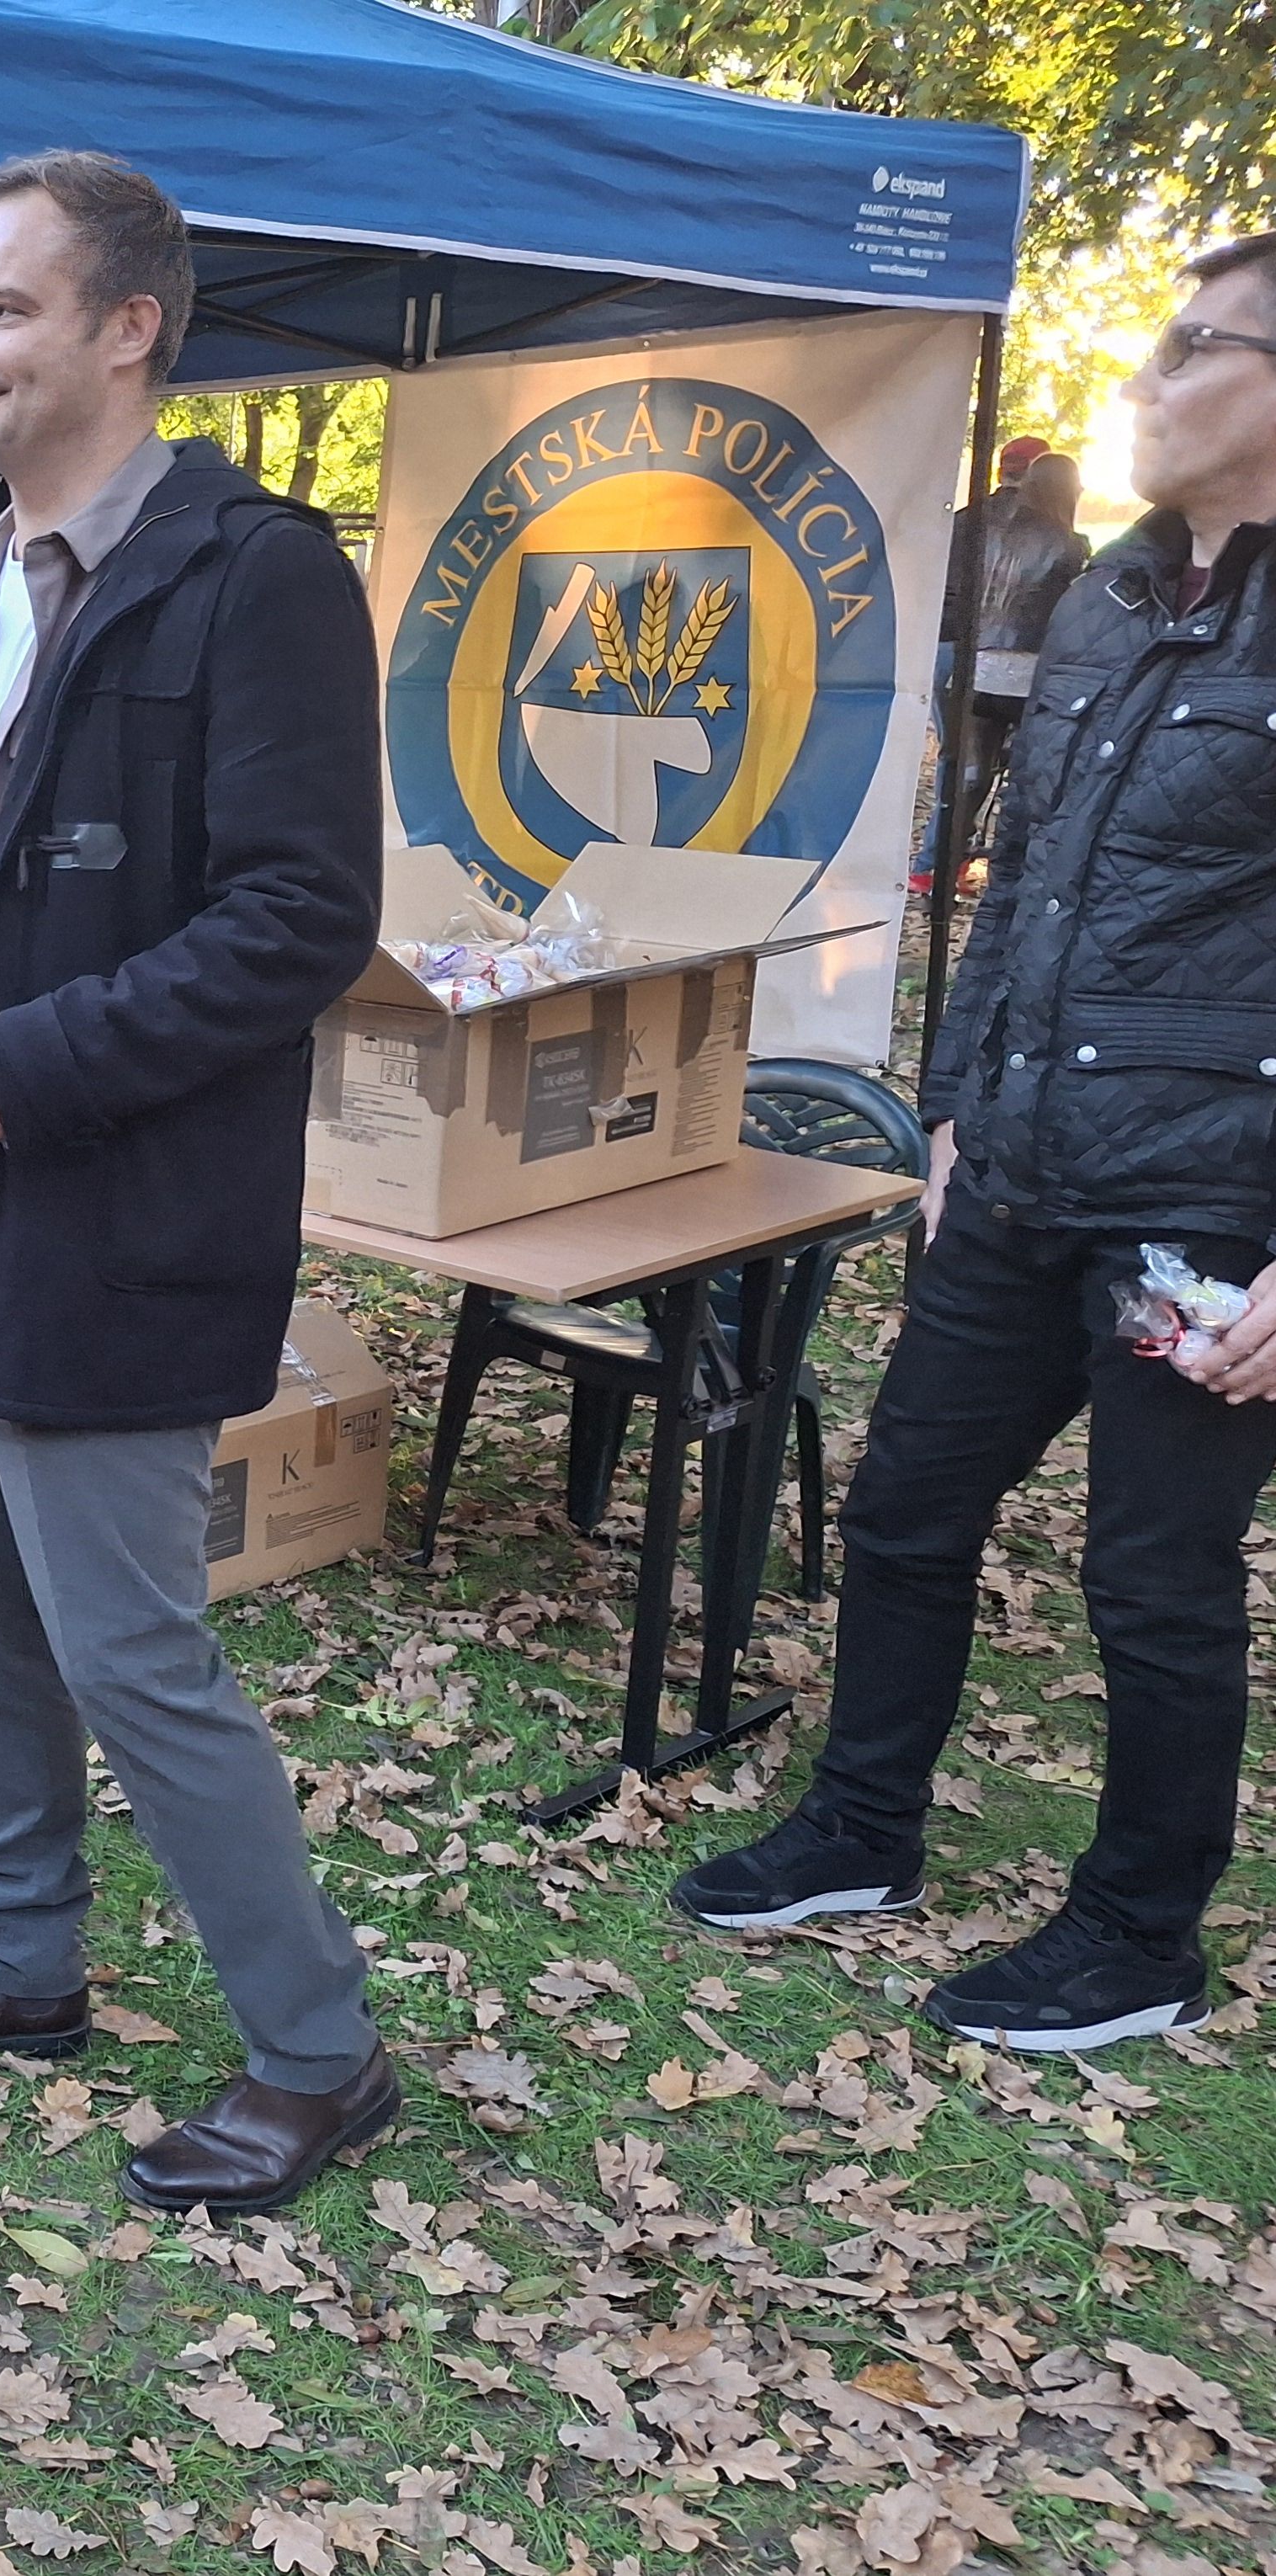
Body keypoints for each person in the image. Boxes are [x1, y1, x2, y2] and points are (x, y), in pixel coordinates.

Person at [0, 152, 391, 2216]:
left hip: (111, 1227)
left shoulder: (253, 578)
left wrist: (23, 1074)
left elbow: (301, 917)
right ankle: (19, 1961)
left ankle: (319, 2051)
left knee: (129, 1658)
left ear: (130, 329)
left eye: (3, 307)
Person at [672, 232, 1276, 2049]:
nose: (1150, 376)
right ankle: (863, 1830)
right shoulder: (1104, 597)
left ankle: (1140, 1938)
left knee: (1153, 1585)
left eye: (1197, 345)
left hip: (1203, 1209)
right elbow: (1020, 886)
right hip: (1012, 1171)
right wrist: (948, 1109)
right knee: (908, 1511)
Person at [915, 444, 1092, 893]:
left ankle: (937, 865)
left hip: (969, 662)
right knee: (1029, 774)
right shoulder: (1070, 544)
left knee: (965, 771)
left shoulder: (976, 527)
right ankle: (1012, 870)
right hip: (1030, 672)